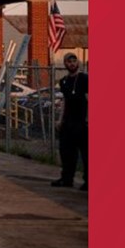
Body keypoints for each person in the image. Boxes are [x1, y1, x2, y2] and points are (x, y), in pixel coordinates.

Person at [52, 54, 88, 191]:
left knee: (86, 154)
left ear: (77, 63)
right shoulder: (64, 81)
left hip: (82, 121)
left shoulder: (84, 79)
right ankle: (67, 178)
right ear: (65, 64)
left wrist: (88, 119)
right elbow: (65, 101)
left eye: (74, 61)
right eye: (69, 61)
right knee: (66, 152)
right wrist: (60, 119)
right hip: (68, 122)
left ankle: (88, 181)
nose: (72, 64)